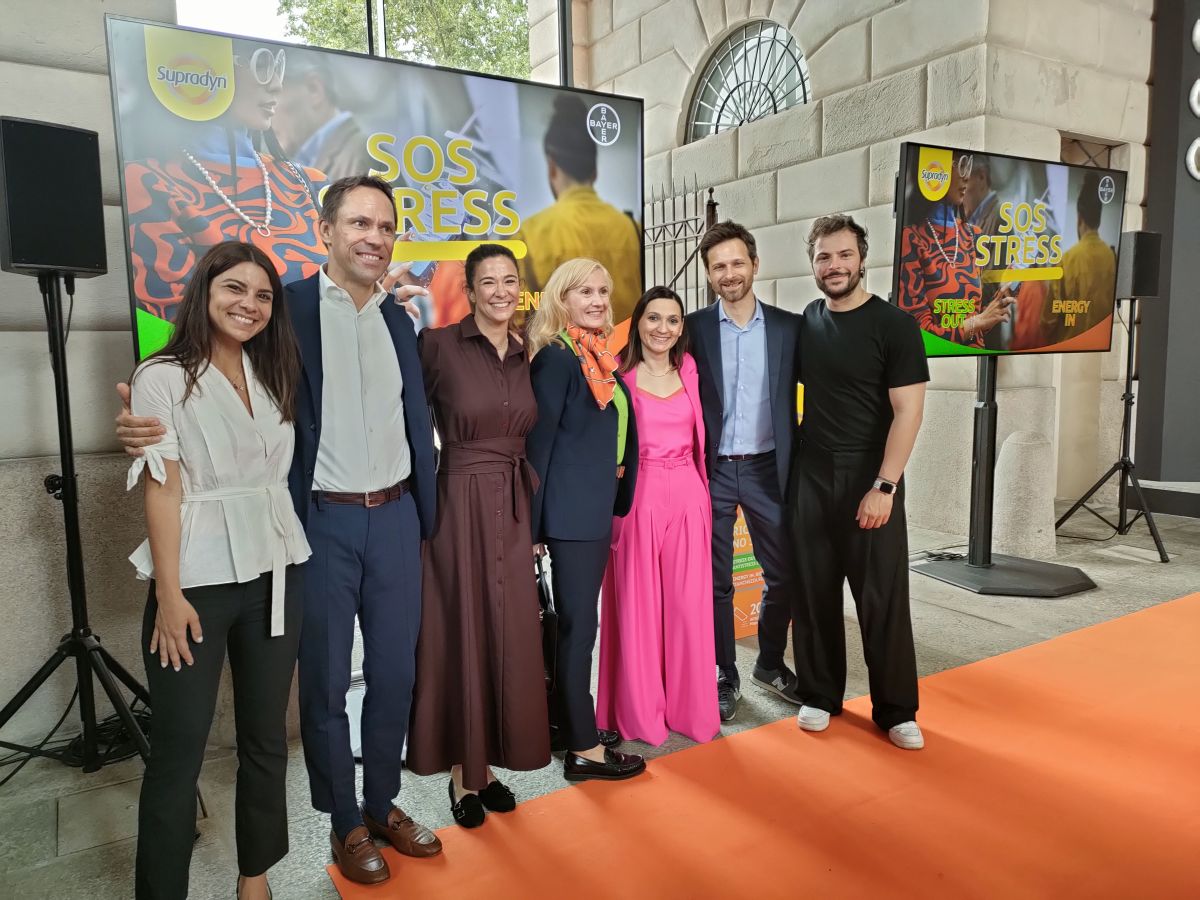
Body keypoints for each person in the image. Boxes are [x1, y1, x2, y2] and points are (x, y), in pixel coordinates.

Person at [116, 175, 441, 887]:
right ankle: (345, 821)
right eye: (359, 223)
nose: (374, 237)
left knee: (395, 673)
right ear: (326, 231)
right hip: (317, 520)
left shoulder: (400, 319)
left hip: (394, 515)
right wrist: (140, 415)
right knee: (323, 682)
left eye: (386, 226)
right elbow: (197, 375)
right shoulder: (285, 307)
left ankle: (382, 803)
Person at [126, 241, 310, 900]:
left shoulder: (273, 370)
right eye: (235, 288)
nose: (249, 304)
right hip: (195, 581)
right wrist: (169, 594)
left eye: (262, 295)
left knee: (266, 737)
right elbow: (163, 487)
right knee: (179, 749)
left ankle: (254, 875)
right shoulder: (162, 375)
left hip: (277, 570)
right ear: (205, 290)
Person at [405, 244, 550, 827]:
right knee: (461, 631)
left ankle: (487, 767)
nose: (500, 291)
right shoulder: (436, 345)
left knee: (506, 633)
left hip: (513, 505)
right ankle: (462, 777)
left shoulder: (527, 350)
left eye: (509, 280)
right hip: (458, 503)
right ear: (468, 290)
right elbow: (406, 421)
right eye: (488, 281)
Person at [791, 214, 930, 751]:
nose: (834, 265)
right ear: (813, 264)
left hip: (870, 476)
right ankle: (819, 694)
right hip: (811, 472)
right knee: (814, 590)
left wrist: (885, 485)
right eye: (824, 257)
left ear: (862, 258)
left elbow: (908, 412)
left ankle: (896, 709)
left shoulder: (895, 325)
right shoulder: (809, 321)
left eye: (844, 254)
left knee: (881, 596)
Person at [526, 258, 646, 781]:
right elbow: (538, 449)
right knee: (579, 630)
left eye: (602, 291)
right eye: (584, 292)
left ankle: (574, 724)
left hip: (592, 509)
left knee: (579, 627)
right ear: (562, 299)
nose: (597, 301)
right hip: (571, 517)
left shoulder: (594, 353)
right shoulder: (557, 358)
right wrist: (532, 530)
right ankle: (583, 748)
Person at [686, 221, 802, 722]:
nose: (729, 274)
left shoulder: (789, 328)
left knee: (785, 573)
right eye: (718, 267)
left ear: (755, 264)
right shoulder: (691, 329)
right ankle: (723, 672)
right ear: (708, 274)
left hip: (766, 468)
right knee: (715, 581)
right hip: (709, 471)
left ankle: (770, 663)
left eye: (737, 263)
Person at [125, 40, 326, 329]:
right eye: (260, 65)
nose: (276, 85)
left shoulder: (309, 182)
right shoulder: (149, 183)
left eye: (278, 66)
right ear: (203, 68)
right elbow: (172, 327)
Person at [597, 287, 719, 746]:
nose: (662, 328)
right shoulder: (617, 376)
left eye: (672, 320)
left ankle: (690, 710)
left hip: (689, 493)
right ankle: (640, 714)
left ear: (681, 327)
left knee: (689, 609)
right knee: (638, 608)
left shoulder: (691, 370)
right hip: (638, 496)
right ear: (638, 322)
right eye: (653, 318)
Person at [516, 95, 643, 324]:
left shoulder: (530, 233)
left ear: (552, 166)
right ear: (594, 171)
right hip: (624, 346)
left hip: (560, 346)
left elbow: (517, 321)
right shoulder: (632, 229)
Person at [895, 151, 1012, 348]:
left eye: (969, 165)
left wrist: (1002, 299)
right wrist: (977, 323)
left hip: (975, 358)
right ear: (933, 169)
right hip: (935, 363)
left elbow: (980, 324)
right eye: (959, 165)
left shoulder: (974, 235)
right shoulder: (911, 238)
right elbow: (919, 333)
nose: (966, 175)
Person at [271, 50, 375, 181]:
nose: (266, 111)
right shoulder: (305, 161)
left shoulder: (360, 155)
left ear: (314, 89)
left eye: (273, 92)